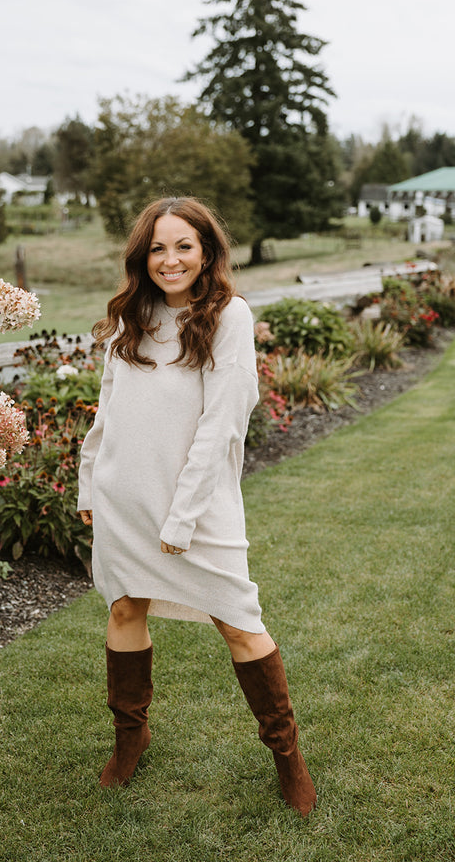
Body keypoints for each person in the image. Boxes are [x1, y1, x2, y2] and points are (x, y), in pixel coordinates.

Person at [77, 196, 316, 817]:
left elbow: (222, 424)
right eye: (157, 247)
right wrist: (87, 486)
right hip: (123, 497)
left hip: (197, 503)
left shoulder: (228, 315)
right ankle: (131, 738)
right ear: (142, 256)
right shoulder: (133, 316)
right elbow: (108, 414)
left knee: (238, 620)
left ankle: (286, 755)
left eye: (183, 245)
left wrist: (182, 515)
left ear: (207, 251)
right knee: (126, 604)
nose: (170, 259)